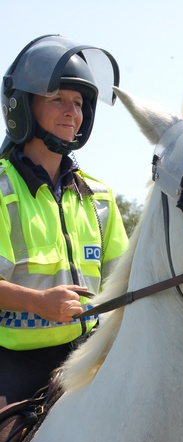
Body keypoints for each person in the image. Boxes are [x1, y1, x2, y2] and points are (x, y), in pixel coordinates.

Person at [0, 35, 128, 408]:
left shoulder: (99, 196)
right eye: (58, 99)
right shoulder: (3, 187)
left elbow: (125, 282)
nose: (73, 112)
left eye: (79, 102)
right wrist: (38, 302)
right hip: (14, 365)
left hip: (87, 358)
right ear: (23, 106)